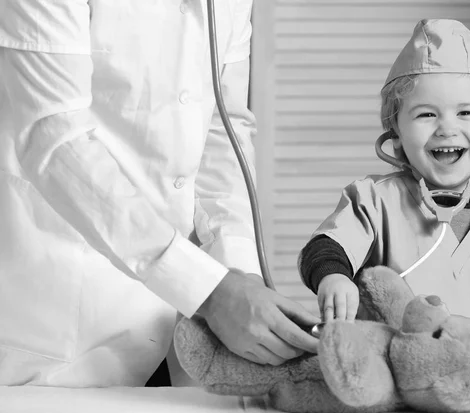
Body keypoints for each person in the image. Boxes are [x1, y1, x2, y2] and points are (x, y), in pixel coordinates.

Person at [0, 0, 319, 387]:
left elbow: (224, 126)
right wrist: (212, 292)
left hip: (167, 317)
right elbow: (54, 136)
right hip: (52, 316)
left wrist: (238, 274)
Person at [298, 19, 470, 346]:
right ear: (395, 131)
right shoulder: (374, 201)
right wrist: (333, 277)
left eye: (466, 113)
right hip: (396, 387)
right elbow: (325, 247)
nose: (446, 129)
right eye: (426, 114)